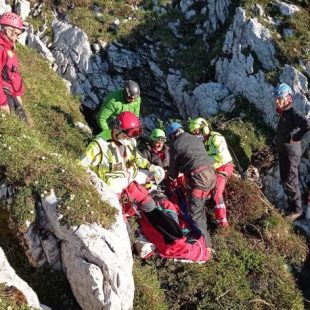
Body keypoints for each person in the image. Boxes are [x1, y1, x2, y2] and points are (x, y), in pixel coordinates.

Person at [80, 111, 165, 194]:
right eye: (126, 136)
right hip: (114, 183)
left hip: (130, 176)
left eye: (130, 137)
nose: (129, 139)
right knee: (114, 186)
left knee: (155, 175)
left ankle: (144, 190)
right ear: (117, 130)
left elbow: (137, 157)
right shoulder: (99, 145)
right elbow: (80, 165)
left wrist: (150, 166)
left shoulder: (130, 141)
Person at [166, 122, 216, 247]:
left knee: (195, 213)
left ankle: (206, 247)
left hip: (199, 179)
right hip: (211, 174)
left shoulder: (176, 145)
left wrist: (168, 178)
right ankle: (205, 231)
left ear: (172, 136)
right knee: (198, 207)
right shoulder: (195, 138)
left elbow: (173, 172)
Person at [188, 117, 234, 227]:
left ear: (204, 129)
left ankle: (222, 222)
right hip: (210, 169)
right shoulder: (201, 142)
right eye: (193, 133)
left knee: (217, 192)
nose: (196, 134)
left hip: (223, 167)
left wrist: (209, 167)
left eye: (197, 131)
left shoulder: (216, 138)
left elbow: (222, 158)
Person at [274, 83, 310, 221]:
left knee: (290, 180)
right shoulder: (284, 114)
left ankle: (297, 210)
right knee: (285, 180)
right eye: (276, 98)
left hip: (291, 153)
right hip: (284, 152)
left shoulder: (292, 113)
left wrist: (295, 137)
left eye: (279, 98)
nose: (277, 101)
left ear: (288, 98)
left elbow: (307, 125)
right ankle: (291, 207)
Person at [0, 12, 27, 122]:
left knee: (23, 126)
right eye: (16, 33)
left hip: (11, 94)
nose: (17, 37)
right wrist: (2, 102)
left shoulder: (8, 48)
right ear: (8, 31)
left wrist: (17, 95)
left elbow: (11, 74)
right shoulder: (1, 48)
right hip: (4, 95)